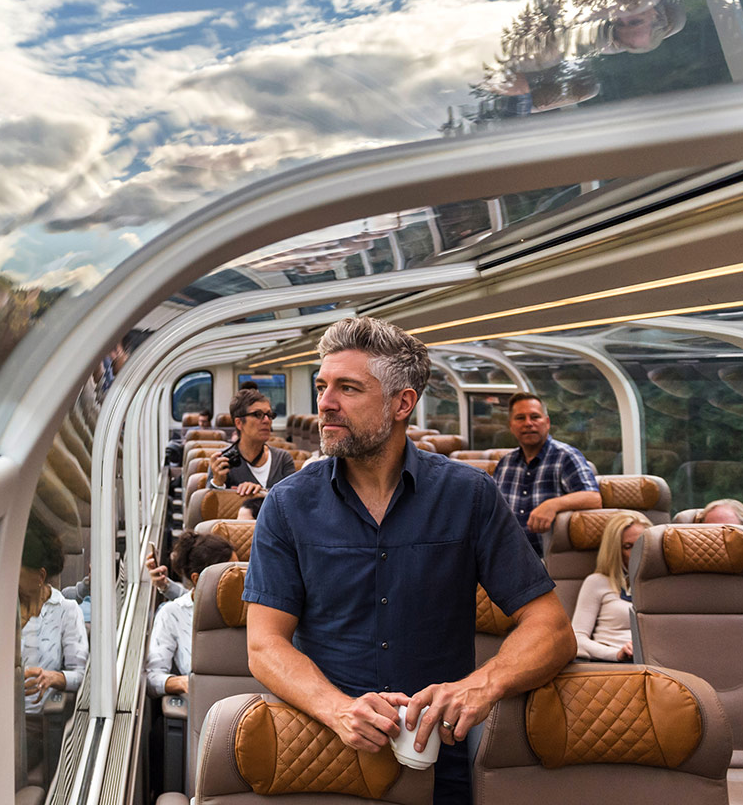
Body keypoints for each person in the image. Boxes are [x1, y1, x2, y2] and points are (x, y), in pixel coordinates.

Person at [243, 317, 575, 805]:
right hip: (323, 755)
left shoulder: (468, 496)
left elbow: (552, 628)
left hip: (441, 758)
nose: (325, 403)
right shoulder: (288, 504)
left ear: (402, 403)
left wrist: (480, 686)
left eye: (348, 388)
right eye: (321, 386)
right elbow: (264, 645)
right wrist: (337, 709)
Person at [491, 392, 602, 556]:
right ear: (511, 426)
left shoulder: (565, 457)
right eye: (520, 418)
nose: (528, 423)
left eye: (535, 417)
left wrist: (552, 505)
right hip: (508, 555)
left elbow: (593, 498)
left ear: (547, 422)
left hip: (550, 559)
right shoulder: (505, 463)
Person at [20, 523, 86, 773]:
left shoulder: (66, 610)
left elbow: (81, 675)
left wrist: (52, 678)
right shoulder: (2, 605)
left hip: (34, 723)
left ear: (39, 576)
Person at [146, 532, 237, 697]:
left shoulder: (251, 607)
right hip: (205, 699)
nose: (240, 578)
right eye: (230, 574)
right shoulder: (173, 614)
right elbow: (152, 677)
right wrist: (183, 682)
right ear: (197, 579)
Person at [571, 513, 646, 662]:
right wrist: (616, 654)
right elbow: (577, 639)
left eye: (641, 545)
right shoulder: (597, 582)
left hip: (656, 664)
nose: (638, 553)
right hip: (612, 663)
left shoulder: (662, 587)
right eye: (628, 547)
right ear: (615, 552)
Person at [208, 389, 296, 499]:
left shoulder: (282, 459)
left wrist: (261, 492)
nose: (267, 420)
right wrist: (218, 482)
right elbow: (211, 503)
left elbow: (293, 500)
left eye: (269, 415)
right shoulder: (222, 461)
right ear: (239, 423)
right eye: (258, 415)